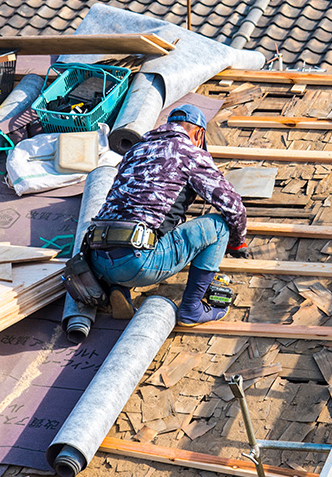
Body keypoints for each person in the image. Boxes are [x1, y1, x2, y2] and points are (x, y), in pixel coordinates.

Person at [86, 103, 249, 325]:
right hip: (138, 263)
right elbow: (232, 205)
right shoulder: (189, 152)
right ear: (199, 133)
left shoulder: (136, 150)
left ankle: (117, 287)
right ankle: (192, 308)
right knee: (219, 226)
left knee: (139, 222)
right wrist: (237, 241)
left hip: (96, 261)